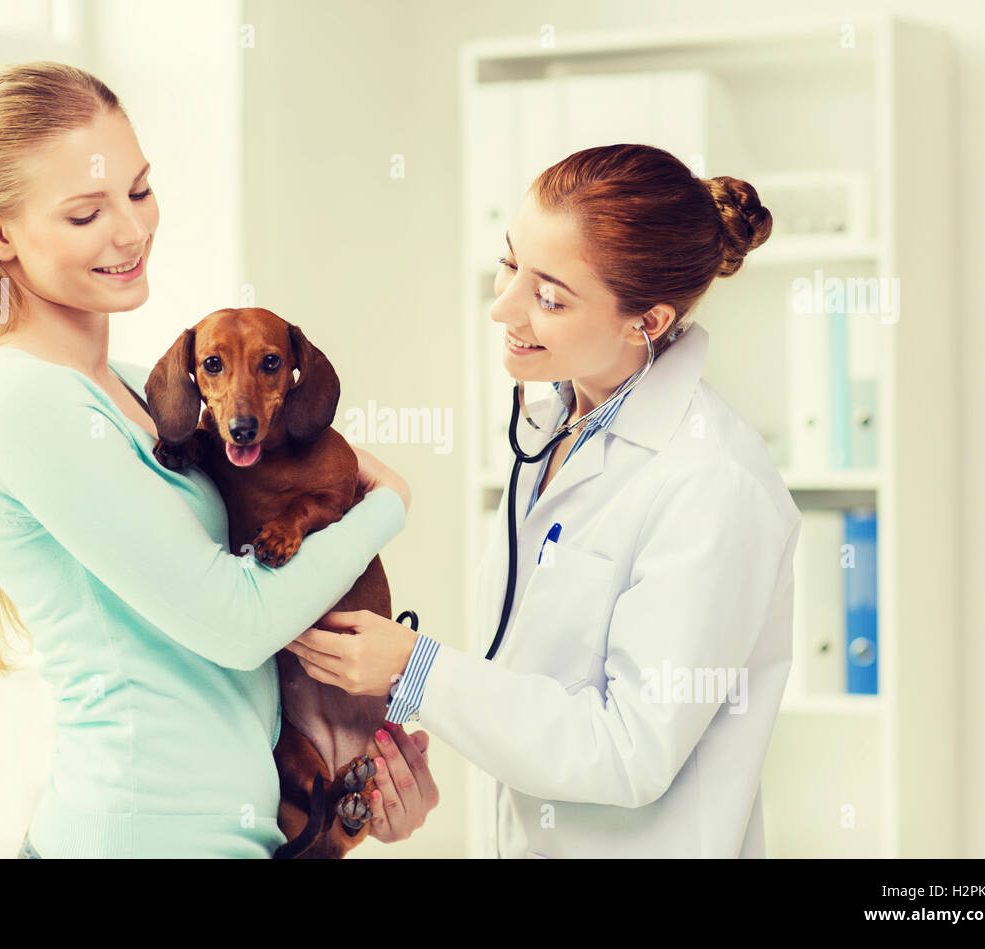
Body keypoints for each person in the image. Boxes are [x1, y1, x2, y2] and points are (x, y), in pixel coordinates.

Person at [0, 61, 436, 859]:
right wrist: (392, 504)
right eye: (85, 213)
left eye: (138, 191)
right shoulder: (18, 401)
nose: (130, 232)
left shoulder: (139, 392)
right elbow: (238, 624)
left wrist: (355, 795)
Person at [286, 143, 802, 858]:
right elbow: (536, 690)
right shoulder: (557, 424)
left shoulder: (713, 482)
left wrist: (415, 667)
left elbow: (629, 750)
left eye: (550, 296)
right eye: (509, 264)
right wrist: (408, 740)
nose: (503, 307)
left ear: (646, 322)